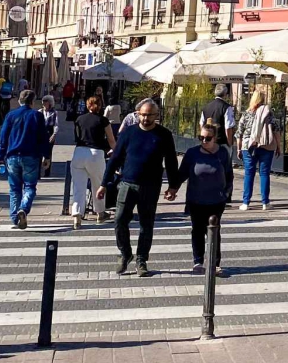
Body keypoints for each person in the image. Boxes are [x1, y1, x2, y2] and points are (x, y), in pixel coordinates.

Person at [98, 99, 179, 276]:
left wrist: (173, 187)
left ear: (156, 116)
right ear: (137, 114)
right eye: (142, 115)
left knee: (146, 224)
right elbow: (115, 159)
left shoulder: (164, 135)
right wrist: (103, 184)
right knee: (119, 220)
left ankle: (141, 259)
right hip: (127, 183)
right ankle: (125, 253)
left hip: (151, 186)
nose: (145, 118)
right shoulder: (129, 133)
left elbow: (171, 162)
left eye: (149, 115)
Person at [170, 121, 233, 275]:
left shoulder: (222, 153)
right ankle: (198, 261)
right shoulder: (192, 153)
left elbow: (229, 175)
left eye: (208, 138)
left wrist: (226, 194)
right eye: (201, 137)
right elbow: (182, 173)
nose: (204, 141)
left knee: (213, 231)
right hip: (196, 199)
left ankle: (214, 263)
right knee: (197, 230)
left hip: (216, 200)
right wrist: (173, 189)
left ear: (215, 138)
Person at [0, 89, 48, 229]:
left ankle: (15, 218)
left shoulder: (11, 115)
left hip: (12, 156)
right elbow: (43, 137)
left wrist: (0, 156)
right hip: (31, 156)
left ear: (19, 100)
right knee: (30, 186)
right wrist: (46, 156)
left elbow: (3, 137)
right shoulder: (37, 116)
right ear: (32, 101)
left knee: (14, 188)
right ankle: (23, 208)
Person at [69, 94, 116, 229]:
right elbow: (111, 139)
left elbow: (77, 136)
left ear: (87, 105)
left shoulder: (79, 119)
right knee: (99, 184)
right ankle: (100, 212)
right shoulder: (103, 120)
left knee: (78, 186)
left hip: (79, 152)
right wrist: (116, 152)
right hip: (96, 153)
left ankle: (77, 214)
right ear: (100, 106)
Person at [237, 90, 277, 210]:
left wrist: (239, 149)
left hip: (248, 145)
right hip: (265, 145)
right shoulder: (268, 113)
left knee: (249, 173)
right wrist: (278, 146)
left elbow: (239, 133)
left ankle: (246, 203)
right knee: (264, 173)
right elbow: (276, 129)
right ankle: (265, 203)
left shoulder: (246, 114)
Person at [200, 84, 236, 151]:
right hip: (221, 143)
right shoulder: (226, 107)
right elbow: (228, 128)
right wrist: (230, 144)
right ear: (225, 94)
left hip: (208, 142)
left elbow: (201, 125)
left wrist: (204, 139)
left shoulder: (206, 107)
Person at [39, 95, 61, 177]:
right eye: (43, 101)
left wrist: (54, 134)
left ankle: (47, 171)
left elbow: (56, 124)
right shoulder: (39, 112)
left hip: (49, 132)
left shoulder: (54, 113)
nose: (44, 103)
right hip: (41, 133)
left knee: (48, 153)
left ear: (50, 103)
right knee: (39, 152)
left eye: (46, 101)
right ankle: (38, 172)